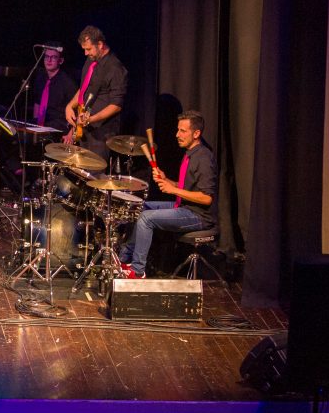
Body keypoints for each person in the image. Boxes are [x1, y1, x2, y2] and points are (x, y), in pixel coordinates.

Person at [120, 111, 218, 278]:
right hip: (183, 206)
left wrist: (173, 190)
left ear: (196, 133)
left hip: (198, 216)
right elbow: (187, 187)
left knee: (146, 218)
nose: (177, 135)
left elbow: (206, 198)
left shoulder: (203, 158)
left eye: (183, 131)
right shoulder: (190, 154)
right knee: (140, 207)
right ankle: (124, 259)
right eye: (178, 130)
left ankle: (137, 271)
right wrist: (168, 181)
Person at [63, 25, 128, 160]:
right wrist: (70, 106)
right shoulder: (91, 60)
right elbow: (84, 88)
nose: (86, 53)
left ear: (100, 44)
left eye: (88, 49)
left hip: (101, 133)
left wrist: (91, 119)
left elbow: (116, 105)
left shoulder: (115, 68)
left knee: (95, 177)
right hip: (84, 129)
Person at [30, 43, 77, 133]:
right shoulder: (40, 77)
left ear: (61, 61)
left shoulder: (67, 83)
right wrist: (35, 125)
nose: (49, 60)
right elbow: (37, 103)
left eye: (54, 57)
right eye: (46, 56)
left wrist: (72, 132)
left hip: (58, 127)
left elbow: (77, 109)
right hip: (41, 125)